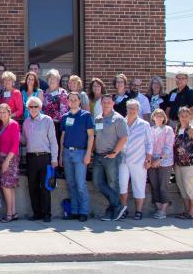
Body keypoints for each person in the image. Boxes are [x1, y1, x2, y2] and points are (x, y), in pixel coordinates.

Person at [58, 92, 94, 222]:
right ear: (67, 102)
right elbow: (63, 136)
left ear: (79, 101)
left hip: (80, 153)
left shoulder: (86, 116)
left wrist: (88, 153)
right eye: (70, 100)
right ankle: (74, 210)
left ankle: (83, 211)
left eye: (75, 100)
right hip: (67, 152)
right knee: (71, 184)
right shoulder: (65, 117)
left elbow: (91, 136)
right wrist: (61, 155)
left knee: (80, 184)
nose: (72, 102)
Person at [93, 94, 129, 221]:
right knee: (97, 183)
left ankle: (113, 211)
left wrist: (114, 152)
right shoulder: (98, 118)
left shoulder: (118, 119)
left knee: (113, 184)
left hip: (111, 156)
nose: (106, 104)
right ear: (101, 103)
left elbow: (124, 137)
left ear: (113, 103)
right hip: (98, 156)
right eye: (104, 102)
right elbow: (96, 136)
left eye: (108, 102)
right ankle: (118, 206)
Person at [22, 97, 58, 222]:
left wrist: (54, 159)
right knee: (32, 187)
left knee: (45, 187)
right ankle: (36, 213)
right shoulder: (26, 122)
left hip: (45, 157)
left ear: (40, 108)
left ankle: (47, 214)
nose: (33, 109)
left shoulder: (47, 120)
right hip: (31, 157)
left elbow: (53, 140)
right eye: (30, 107)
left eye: (35, 106)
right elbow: (24, 141)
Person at [118, 100, 153, 220]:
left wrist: (148, 159)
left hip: (139, 160)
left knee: (139, 186)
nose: (131, 110)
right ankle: (123, 209)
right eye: (129, 108)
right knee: (122, 186)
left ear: (138, 110)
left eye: (134, 108)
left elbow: (149, 143)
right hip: (122, 160)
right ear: (126, 109)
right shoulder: (121, 122)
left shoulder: (144, 124)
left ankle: (139, 211)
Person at [173, 106, 193, 220]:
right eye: (182, 116)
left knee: (189, 187)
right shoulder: (178, 128)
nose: (184, 118)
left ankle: (191, 212)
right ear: (179, 117)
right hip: (179, 164)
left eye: (186, 116)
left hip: (190, 164)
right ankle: (186, 211)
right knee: (182, 187)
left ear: (190, 116)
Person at [0, 103, 20, 222]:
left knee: (6, 186)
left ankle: (9, 214)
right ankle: (14, 212)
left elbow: (15, 144)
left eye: (4, 112)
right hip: (2, 158)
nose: (2, 114)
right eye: (0, 112)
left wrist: (7, 161)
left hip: (9, 159)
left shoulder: (13, 124)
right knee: (9, 186)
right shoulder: (1, 125)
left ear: (9, 113)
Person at [148, 109, 174, 219]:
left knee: (163, 186)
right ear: (153, 117)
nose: (159, 118)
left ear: (164, 118)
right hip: (152, 162)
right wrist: (151, 160)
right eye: (156, 116)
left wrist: (159, 159)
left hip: (165, 162)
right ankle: (159, 209)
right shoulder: (150, 129)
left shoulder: (168, 129)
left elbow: (168, 147)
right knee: (154, 185)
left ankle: (163, 210)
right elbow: (148, 145)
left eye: (161, 116)